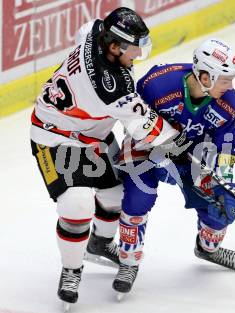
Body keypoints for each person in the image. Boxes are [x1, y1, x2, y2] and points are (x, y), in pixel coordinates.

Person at [30, 7, 178, 307]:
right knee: (77, 204)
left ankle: (98, 244)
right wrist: (181, 142)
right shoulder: (108, 87)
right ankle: (71, 270)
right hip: (55, 138)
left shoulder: (94, 30)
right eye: (133, 50)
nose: (137, 55)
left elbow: (84, 34)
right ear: (113, 46)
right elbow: (146, 128)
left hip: (92, 133)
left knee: (116, 194)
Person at [114, 38, 235, 295]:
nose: (230, 85)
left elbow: (228, 143)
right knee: (139, 197)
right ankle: (128, 261)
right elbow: (131, 121)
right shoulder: (157, 84)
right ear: (206, 76)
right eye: (225, 78)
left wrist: (225, 177)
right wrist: (161, 140)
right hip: (147, 149)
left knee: (221, 204)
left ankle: (208, 248)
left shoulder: (229, 102)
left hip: (194, 155)